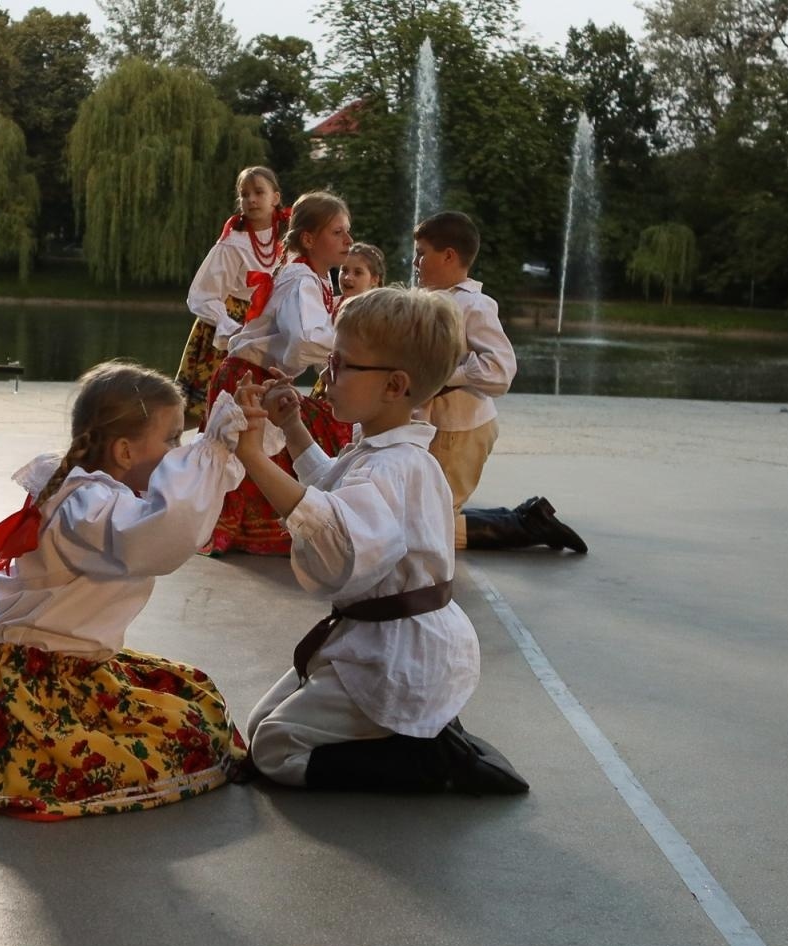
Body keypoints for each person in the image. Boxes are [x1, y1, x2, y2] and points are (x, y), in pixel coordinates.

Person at [0, 362, 250, 818]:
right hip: (40, 681)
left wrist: (225, 442)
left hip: (65, 665)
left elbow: (162, 511)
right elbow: (158, 536)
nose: (179, 453)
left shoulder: (85, 489)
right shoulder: (88, 504)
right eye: (172, 440)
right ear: (124, 451)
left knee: (195, 696)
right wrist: (215, 449)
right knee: (180, 736)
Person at [230, 287, 528, 793]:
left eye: (342, 365)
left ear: (394, 385)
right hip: (378, 640)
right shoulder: (381, 452)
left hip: (398, 655)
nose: (326, 376)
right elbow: (333, 489)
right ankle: (408, 735)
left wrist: (254, 459)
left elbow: (338, 532)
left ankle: (428, 760)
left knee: (274, 750)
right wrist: (294, 428)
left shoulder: (394, 466)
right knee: (258, 726)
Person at [412, 211, 586, 553]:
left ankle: (529, 525)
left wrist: (447, 377)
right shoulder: (436, 301)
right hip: (442, 427)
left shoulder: (473, 305)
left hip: (460, 430)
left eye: (421, 253)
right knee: (426, 513)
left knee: (428, 528)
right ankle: (525, 517)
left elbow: (501, 370)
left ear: (448, 256)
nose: (416, 262)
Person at [207, 190, 355, 555]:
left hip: (256, 376)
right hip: (251, 379)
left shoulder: (314, 278)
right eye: (337, 232)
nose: (348, 241)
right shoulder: (302, 279)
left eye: (347, 232)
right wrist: (352, 348)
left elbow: (306, 341)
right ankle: (254, 531)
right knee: (253, 458)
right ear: (309, 239)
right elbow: (304, 340)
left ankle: (256, 525)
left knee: (261, 454)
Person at [175, 166, 288, 428]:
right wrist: (230, 328)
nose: (251, 199)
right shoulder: (233, 242)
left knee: (255, 408)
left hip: (264, 326)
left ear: (275, 197)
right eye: (245, 194)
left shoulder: (287, 238)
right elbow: (202, 295)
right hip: (228, 326)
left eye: (259, 192)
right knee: (200, 409)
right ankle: (161, 448)